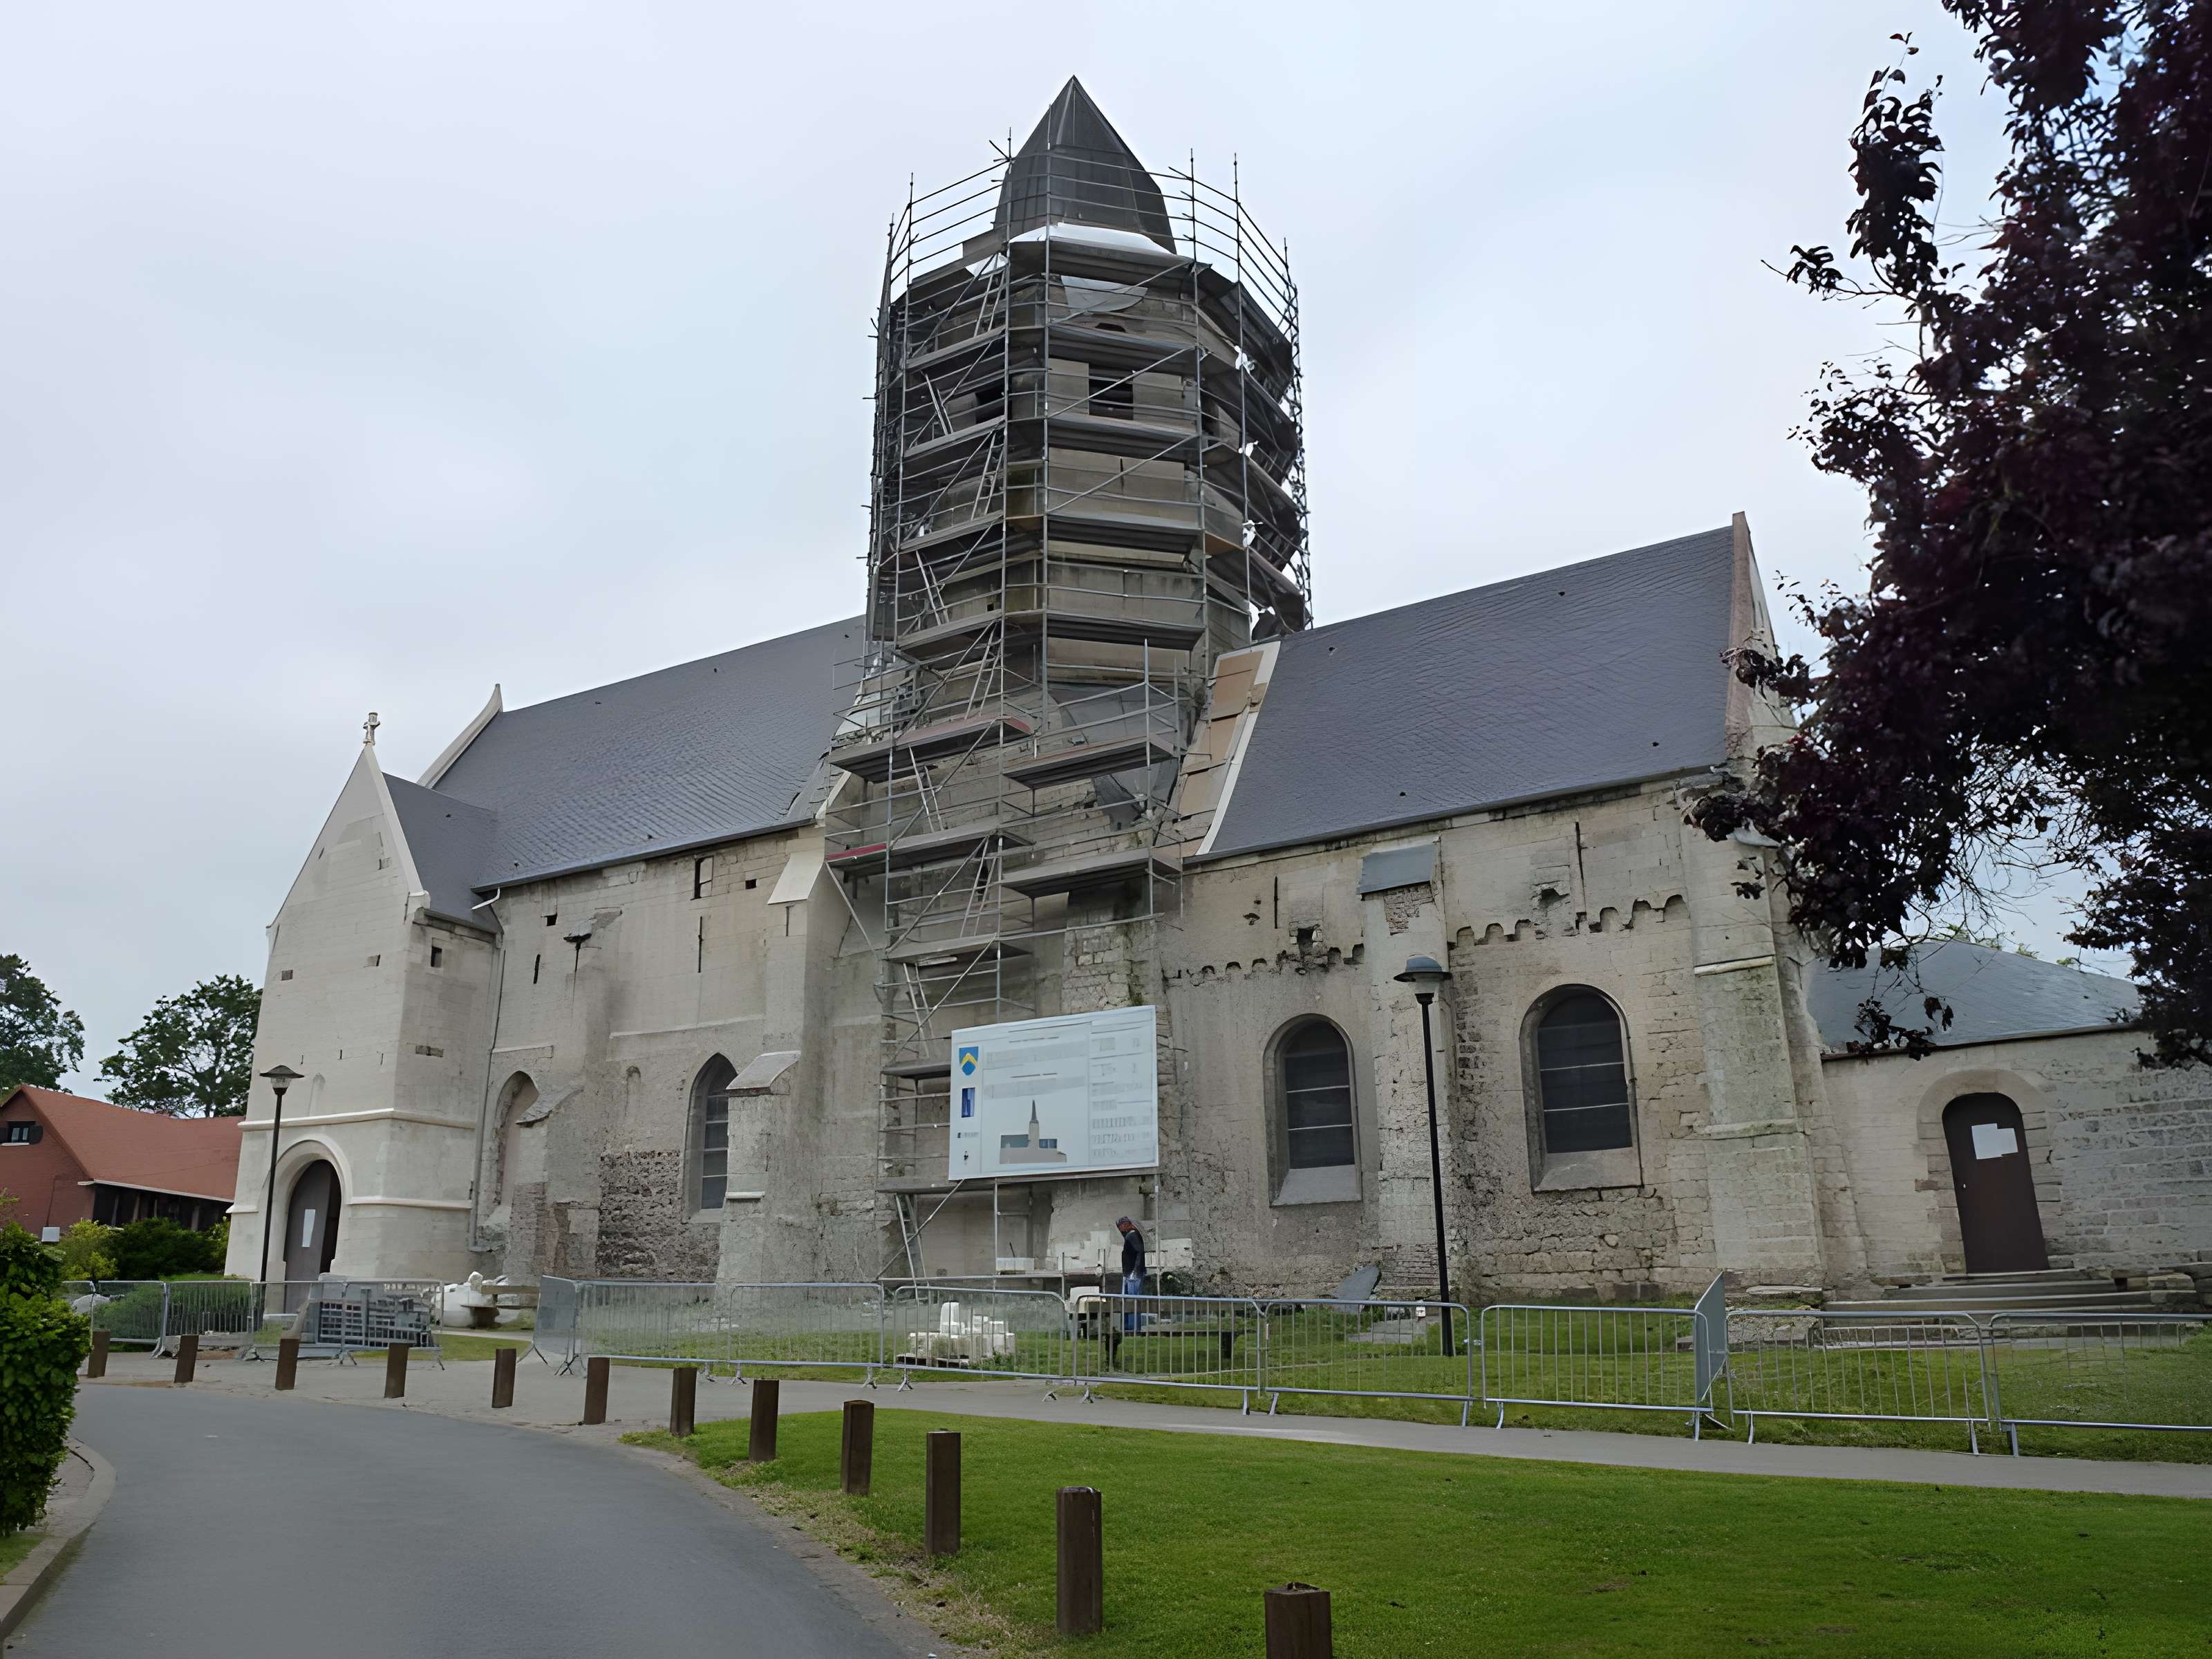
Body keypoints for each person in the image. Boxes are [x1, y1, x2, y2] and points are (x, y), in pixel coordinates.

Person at [1115, 1216, 1147, 1338]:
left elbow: (1139, 1252)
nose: (1120, 1229)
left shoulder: (1133, 1234)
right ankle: (1129, 1327)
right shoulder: (1130, 1235)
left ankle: (1134, 1328)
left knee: (1133, 1301)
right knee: (1128, 1301)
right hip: (1129, 1273)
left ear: (1125, 1224)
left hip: (1133, 1274)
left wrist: (1135, 1271)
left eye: (1120, 1226)